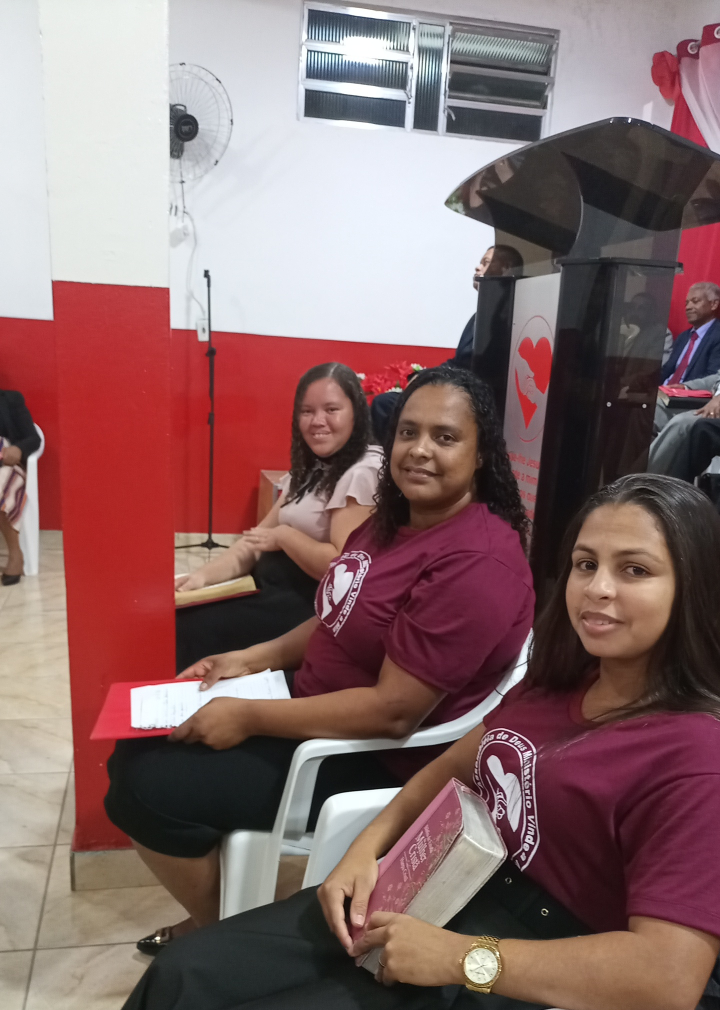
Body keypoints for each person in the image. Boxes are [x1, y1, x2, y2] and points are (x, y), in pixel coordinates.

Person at [86, 474, 720, 1010]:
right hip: (452, 897)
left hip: (536, 992)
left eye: (635, 570)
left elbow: (669, 977)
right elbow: (459, 761)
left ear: (692, 586)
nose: (598, 589)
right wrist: (369, 848)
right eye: (586, 563)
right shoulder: (568, 677)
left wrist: (462, 959)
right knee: (193, 973)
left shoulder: (694, 755)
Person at [106, 366, 533, 953]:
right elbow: (337, 613)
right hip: (311, 705)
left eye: (445, 437)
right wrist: (251, 659)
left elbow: (393, 713)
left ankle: (218, 940)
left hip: (366, 756)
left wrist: (248, 716)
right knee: (136, 746)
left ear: (481, 454)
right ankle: (221, 918)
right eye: (409, 432)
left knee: (146, 786)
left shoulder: (477, 564)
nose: (419, 450)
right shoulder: (392, 522)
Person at [175, 363, 382, 670]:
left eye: (331, 410)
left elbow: (340, 568)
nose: (317, 421)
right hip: (270, 591)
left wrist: (284, 537)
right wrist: (201, 579)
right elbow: (255, 541)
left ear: (356, 413)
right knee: (178, 614)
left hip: (306, 610)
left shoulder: (363, 471)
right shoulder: (313, 468)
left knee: (188, 630)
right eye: (307, 411)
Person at [370, 245, 524, 447]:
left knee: (385, 405)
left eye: (486, 263)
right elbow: (458, 362)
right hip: (457, 388)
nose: (477, 267)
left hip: (472, 399)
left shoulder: (505, 317)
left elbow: (480, 371)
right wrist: (423, 377)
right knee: (387, 402)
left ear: (505, 270)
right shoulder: (479, 315)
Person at [653, 282, 720, 436]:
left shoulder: (718, 335)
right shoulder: (684, 337)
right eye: (686, 303)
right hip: (664, 391)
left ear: (714, 304)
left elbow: (712, 378)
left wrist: (680, 390)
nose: (688, 307)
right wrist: (645, 382)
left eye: (695, 301)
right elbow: (667, 370)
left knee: (645, 408)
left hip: (686, 399)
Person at [0, 388, 41, 585]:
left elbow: (33, 438)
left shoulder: (10, 400)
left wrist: (18, 449)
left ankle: (15, 554)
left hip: (6, 464)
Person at [648, 371, 720, 475]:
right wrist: (687, 387)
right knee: (652, 409)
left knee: (683, 424)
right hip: (712, 399)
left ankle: (649, 479)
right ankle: (629, 470)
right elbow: (718, 377)